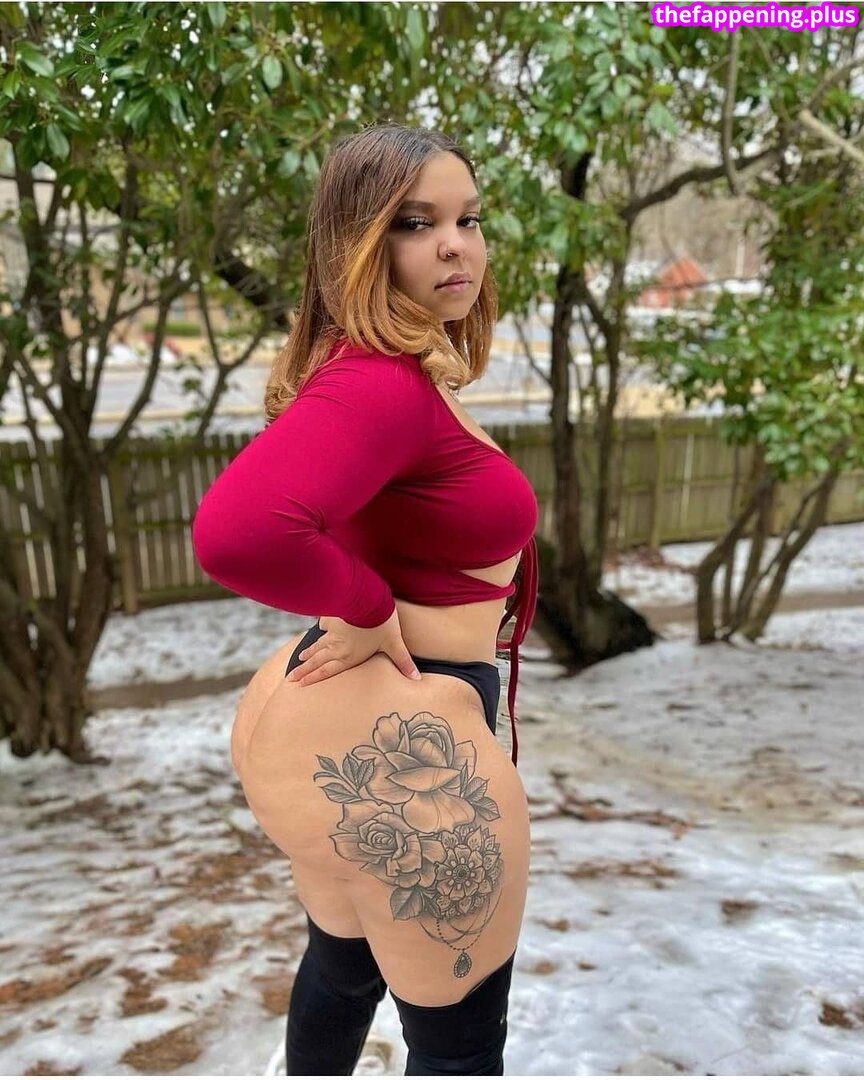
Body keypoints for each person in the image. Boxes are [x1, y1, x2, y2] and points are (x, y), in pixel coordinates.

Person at [191, 122, 539, 1076]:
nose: (456, 245)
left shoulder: (381, 369)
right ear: (358, 241)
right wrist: (366, 603)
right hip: (401, 749)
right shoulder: (381, 382)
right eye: (416, 223)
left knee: (343, 973)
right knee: (459, 1045)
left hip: (334, 729)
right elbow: (236, 533)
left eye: (469, 219)